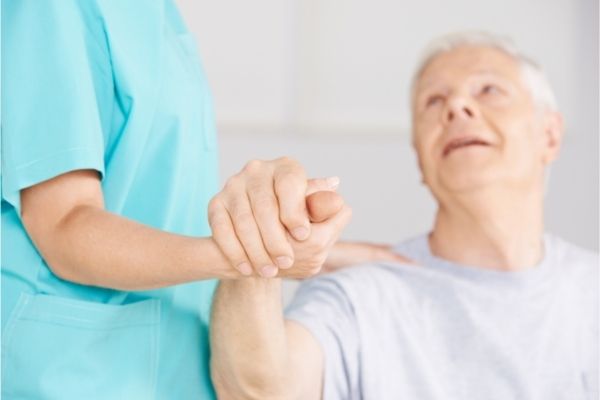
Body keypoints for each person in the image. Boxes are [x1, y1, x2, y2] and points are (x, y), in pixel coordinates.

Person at [1, 1, 401, 398]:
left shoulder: (156, 13)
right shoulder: (51, 9)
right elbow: (64, 224)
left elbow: (159, 200)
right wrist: (259, 254)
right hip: (73, 371)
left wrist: (294, 240)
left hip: (170, 363)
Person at [210, 32, 599, 400]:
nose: (457, 107)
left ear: (550, 135)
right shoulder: (358, 297)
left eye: (488, 90)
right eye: (433, 101)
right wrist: (263, 247)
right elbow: (257, 390)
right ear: (420, 155)